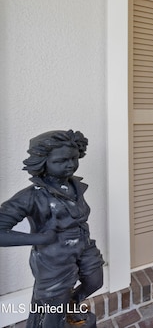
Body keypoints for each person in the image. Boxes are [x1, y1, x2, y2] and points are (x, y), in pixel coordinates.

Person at [0, 130, 104, 328]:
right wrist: (39, 239)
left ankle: (71, 305)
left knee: (95, 281)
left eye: (74, 158)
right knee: (52, 312)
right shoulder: (31, 196)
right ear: (43, 162)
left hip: (84, 247)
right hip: (54, 260)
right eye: (61, 161)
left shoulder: (75, 186)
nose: (71, 165)